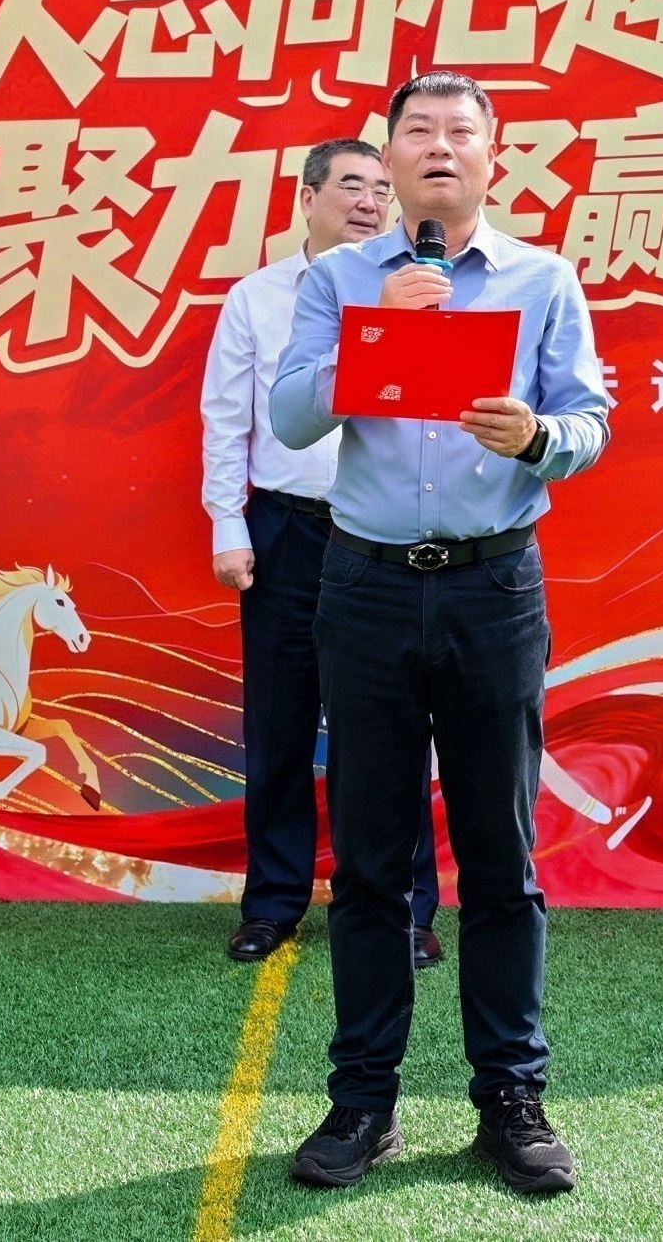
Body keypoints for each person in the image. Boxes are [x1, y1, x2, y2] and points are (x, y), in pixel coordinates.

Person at [270, 72, 610, 1197]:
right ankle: (362, 1100)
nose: (439, 149)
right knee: (370, 862)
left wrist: (536, 435)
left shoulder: (541, 278)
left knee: (501, 860)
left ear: (492, 156)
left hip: (491, 586)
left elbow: (590, 421)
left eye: (461, 132)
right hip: (364, 583)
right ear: (389, 159)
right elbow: (291, 416)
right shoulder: (339, 278)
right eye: (417, 131)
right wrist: (379, 333)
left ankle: (511, 1097)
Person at [203, 139, 449, 969]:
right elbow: (225, 417)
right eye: (351, 186)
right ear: (306, 198)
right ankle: (272, 902)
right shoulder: (257, 297)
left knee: (390, 728)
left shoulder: (425, 289)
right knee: (278, 723)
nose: (370, 203)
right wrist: (227, 523)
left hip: (385, 531)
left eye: (382, 188)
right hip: (287, 528)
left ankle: (403, 909)